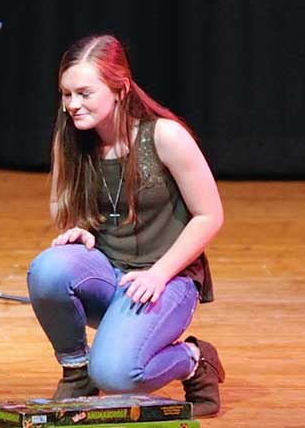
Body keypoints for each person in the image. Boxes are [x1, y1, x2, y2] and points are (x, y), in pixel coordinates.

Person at [26, 35, 226, 417]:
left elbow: (210, 215)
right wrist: (80, 229)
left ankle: (194, 359)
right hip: (110, 275)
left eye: (84, 93)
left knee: (118, 376)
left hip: (167, 280)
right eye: (66, 94)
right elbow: (62, 204)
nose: (72, 105)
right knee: (48, 269)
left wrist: (158, 274)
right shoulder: (72, 141)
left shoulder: (164, 136)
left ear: (120, 89)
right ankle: (77, 371)